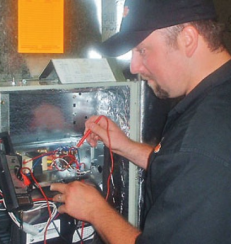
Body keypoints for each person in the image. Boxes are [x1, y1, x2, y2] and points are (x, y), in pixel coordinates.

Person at [50, 0, 231, 243]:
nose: (134, 67)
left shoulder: (201, 141)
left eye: (143, 50)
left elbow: (195, 160)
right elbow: (186, 168)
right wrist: (125, 146)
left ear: (187, 39)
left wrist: (94, 209)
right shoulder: (216, 103)